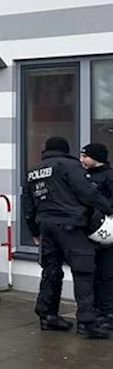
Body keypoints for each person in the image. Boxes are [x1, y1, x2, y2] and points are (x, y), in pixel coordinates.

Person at [23, 137, 113, 337]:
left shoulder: (33, 171)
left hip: (46, 226)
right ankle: (87, 323)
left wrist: (34, 231)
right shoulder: (69, 166)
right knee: (84, 271)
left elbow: (27, 204)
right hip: (70, 226)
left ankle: (47, 315)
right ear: (65, 150)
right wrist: (107, 211)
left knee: (51, 271)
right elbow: (87, 193)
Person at [80, 143, 113, 330]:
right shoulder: (84, 176)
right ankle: (97, 310)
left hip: (106, 232)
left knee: (106, 273)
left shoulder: (108, 176)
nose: (82, 160)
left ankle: (108, 312)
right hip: (89, 231)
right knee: (92, 273)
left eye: (85, 156)